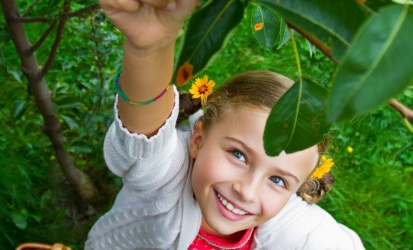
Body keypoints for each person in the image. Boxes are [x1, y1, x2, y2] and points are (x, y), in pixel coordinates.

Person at [85, 0, 364, 249]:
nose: (247, 190)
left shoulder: (297, 230)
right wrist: (148, 49)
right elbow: (144, 135)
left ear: (298, 187)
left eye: (278, 180)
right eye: (238, 155)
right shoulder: (167, 177)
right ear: (198, 139)